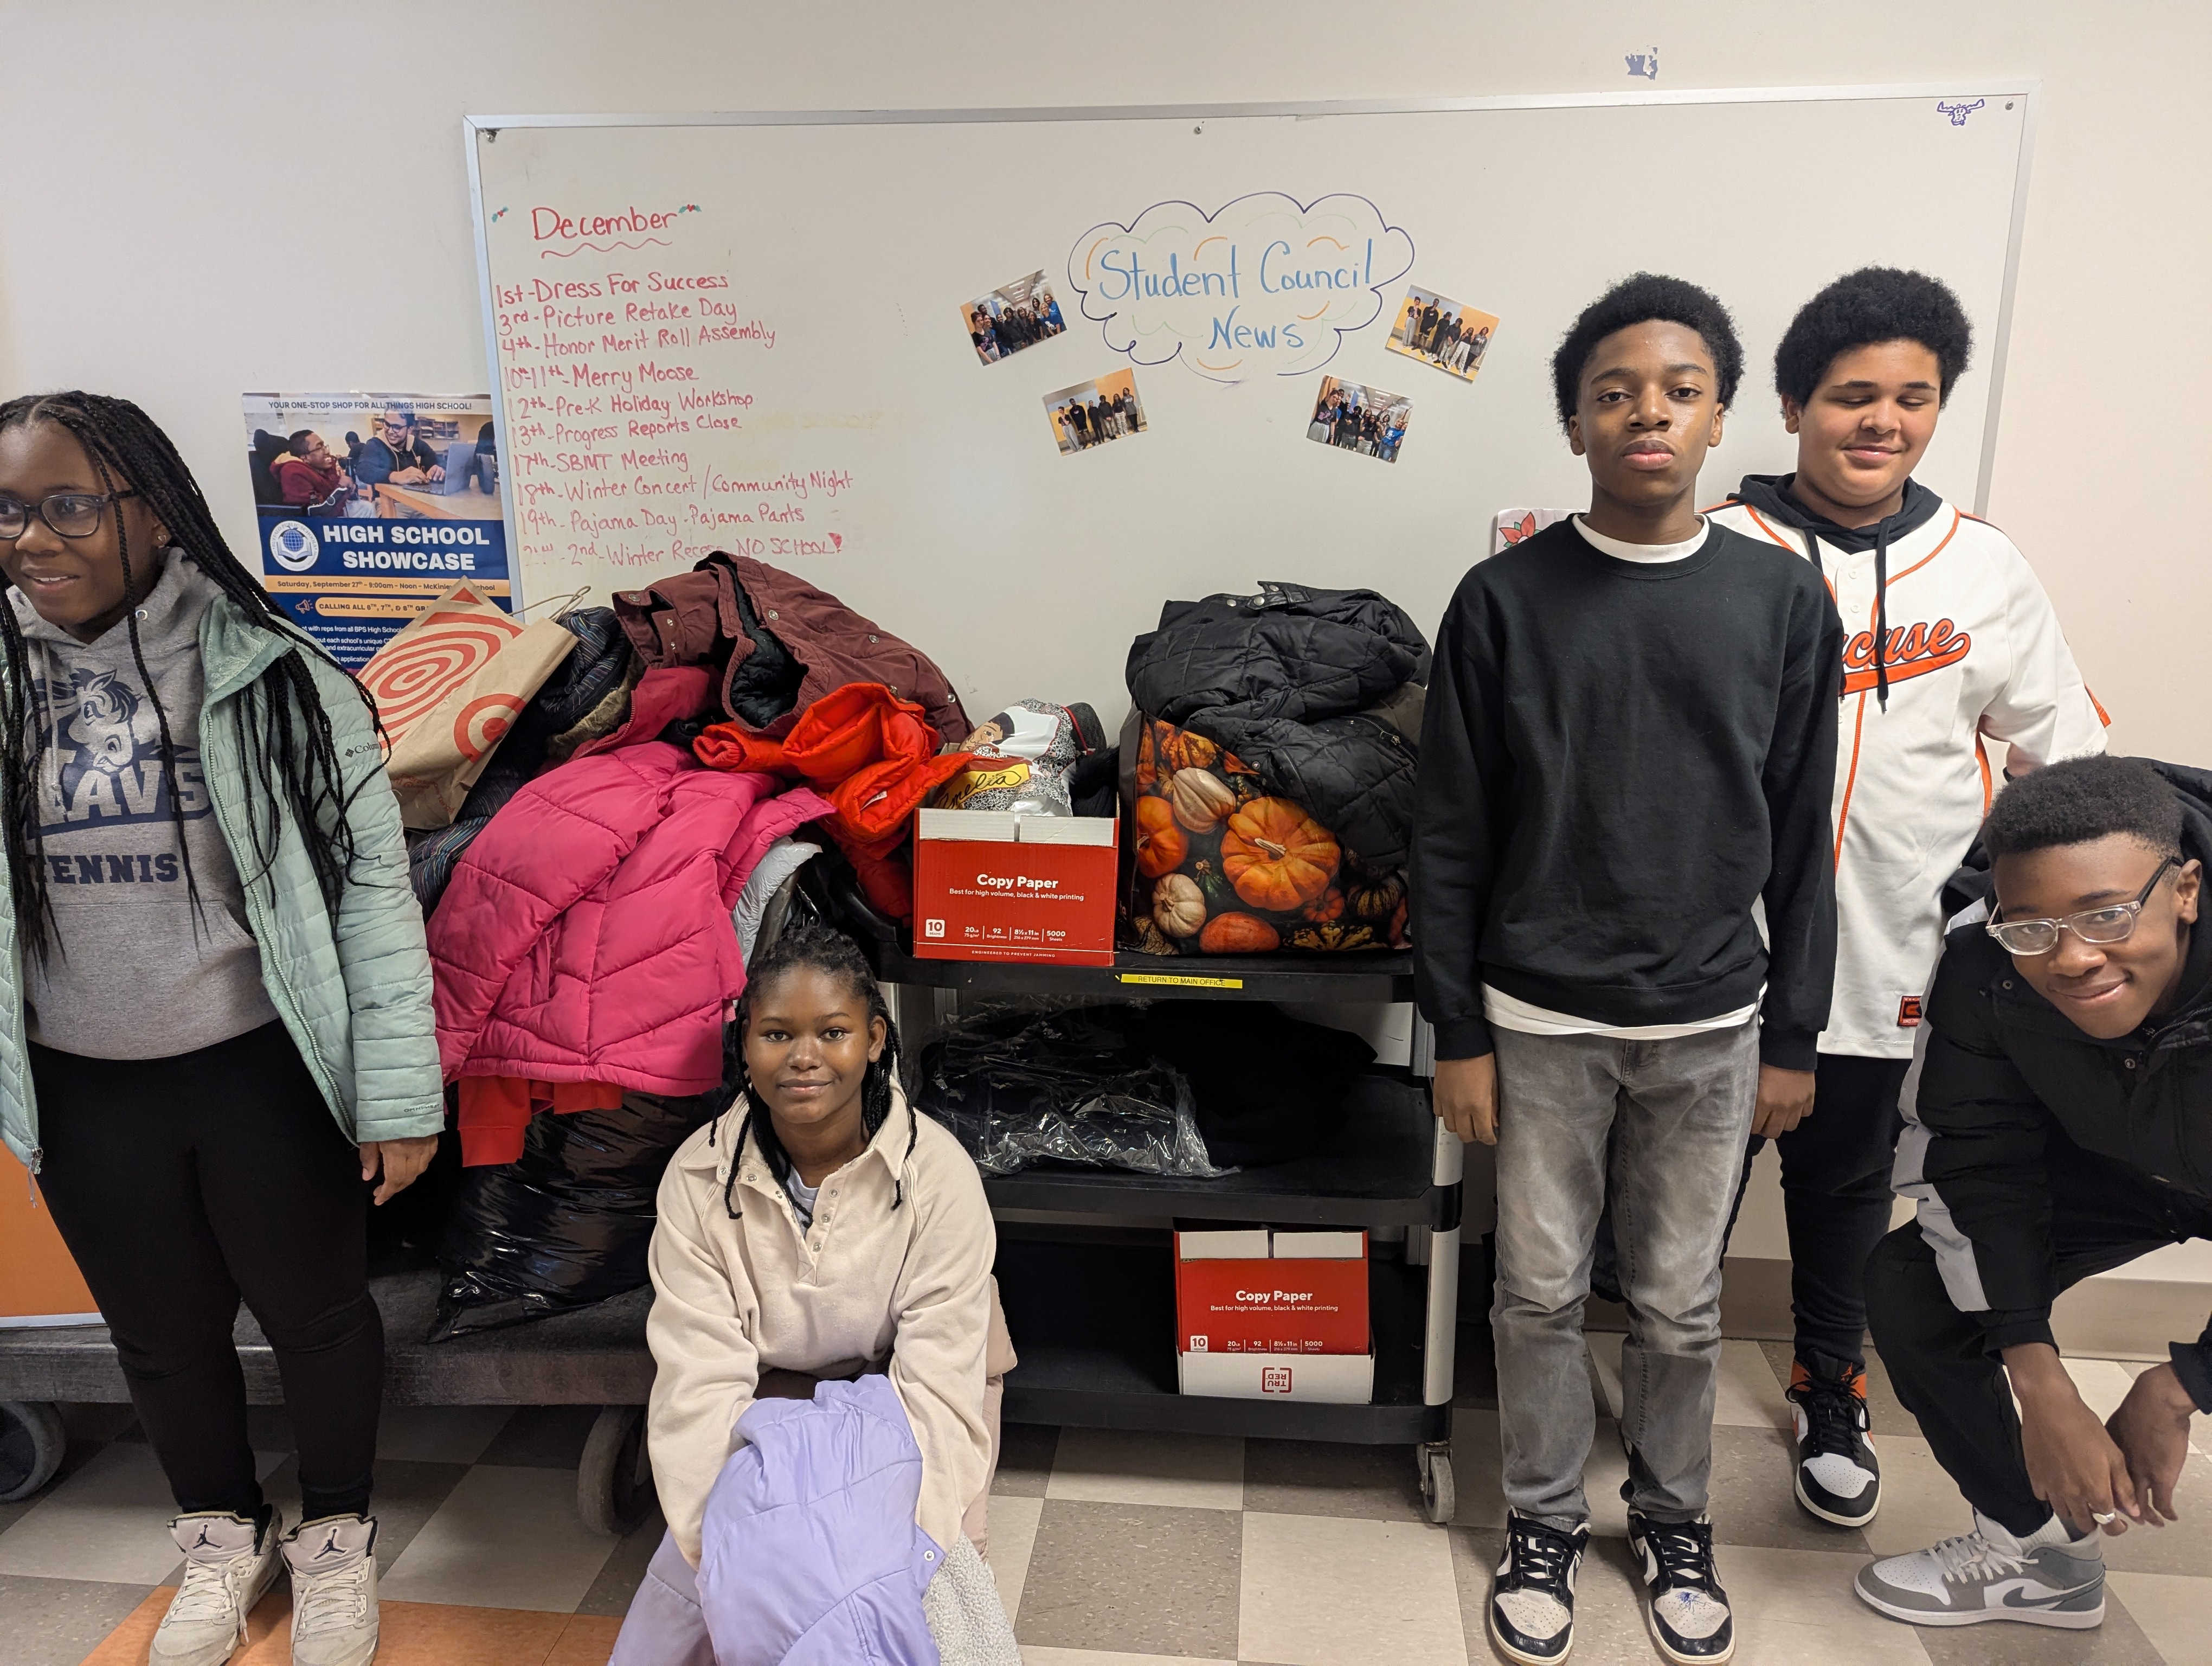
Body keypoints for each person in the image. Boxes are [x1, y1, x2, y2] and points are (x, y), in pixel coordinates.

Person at [1414, 273, 1843, 1666]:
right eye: (1612, 391)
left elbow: (1799, 833)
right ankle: (1539, 1517)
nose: (1643, 410)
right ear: (1575, 423)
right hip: (1533, 1017)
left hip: (1711, 1019)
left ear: (1720, 414)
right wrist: (1455, 1032)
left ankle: (1670, 1519)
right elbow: (1450, 833)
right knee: (1534, 1289)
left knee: (1678, 1298)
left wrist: (1794, 1031)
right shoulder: (1500, 600)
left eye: (1675, 388)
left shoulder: (1778, 599)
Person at [0, 392, 443, 1666]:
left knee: (315, 1314)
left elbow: (370, 894)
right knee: (159, 1330)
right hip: (83, 1082)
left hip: (261, 1064)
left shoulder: (278, 673)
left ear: (152, 507)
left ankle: (339, 1537)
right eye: (10, 510)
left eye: (68, 503)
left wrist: (400, 1091)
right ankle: (219, 1528)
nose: (34, 537)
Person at [1707, 267, 2106, 1531]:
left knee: (1843, 1189)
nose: (1877, 419)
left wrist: (2003, 900)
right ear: (1789, 402)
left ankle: (1831, 1383)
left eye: (1909, 398)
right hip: (1716, 952)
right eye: (1849, 395)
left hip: (1896, 948)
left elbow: (2071, 762)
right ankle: (1649, 1366)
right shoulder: (1710, 545)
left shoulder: (1978, 564)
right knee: (1677, 1191)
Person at [1856, 755, 2212, 1632]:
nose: (2074, 957)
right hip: (2122, 1159)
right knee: (1914, 1284)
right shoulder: (1987, 958)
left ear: (2187, 890)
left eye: (2108, 914)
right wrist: (2041, 1380)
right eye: (2034, 927)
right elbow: (1974, 1159)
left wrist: (2182, 1385)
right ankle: (2040, 1547)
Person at [619, 925, 1012, 1654]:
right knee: (731, 1585)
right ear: (744, 1048)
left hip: (903, 1381)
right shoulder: (697, 1181)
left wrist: (906, 1545)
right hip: (774, 1385)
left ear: (874, 1039)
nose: (804, 1057)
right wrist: (726, 1552)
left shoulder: (941, 1174)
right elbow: (699, 1380)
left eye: (832, 1032)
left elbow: (937, 1386)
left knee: (929, 1581)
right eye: (776, 1034)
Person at [350, 409, 442, 488]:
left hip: (418, 499)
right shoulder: (375, 444)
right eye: (387, 424)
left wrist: (440, 469)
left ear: (410, 429)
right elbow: (363, 470)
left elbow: (439, 462)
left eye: (397, 427)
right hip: (387, 501)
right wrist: (396, 476)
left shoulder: (417, 444)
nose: (390, 431)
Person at [273, 431, 347, 511]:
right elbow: (318, 513)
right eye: (319, 448)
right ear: (305, 458)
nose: (327, 451)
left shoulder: (320, 467)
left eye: (324, 446)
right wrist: (341, 489)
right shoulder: (293, 473)